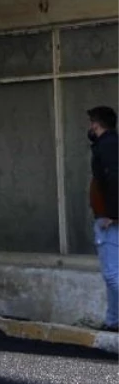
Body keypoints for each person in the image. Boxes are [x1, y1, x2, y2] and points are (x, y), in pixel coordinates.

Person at [87, 106, 119, 330]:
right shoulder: (111, 143)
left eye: (92, 123)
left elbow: (115, 178)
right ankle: (113, 321)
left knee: (112, 274)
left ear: (97, 124)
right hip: (110, 215)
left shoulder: (107, 145)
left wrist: (112, 214)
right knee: (114, 273)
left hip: (109, 219)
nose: (90, 127)